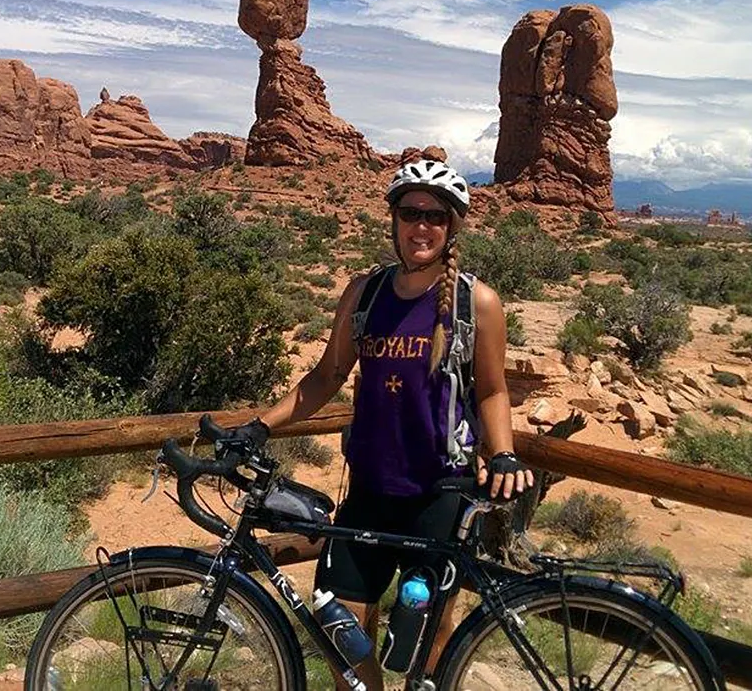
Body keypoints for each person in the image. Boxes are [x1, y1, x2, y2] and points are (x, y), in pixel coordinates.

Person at [227, 159, 533, 690]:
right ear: (393, 219)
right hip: (368, 491)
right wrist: (260, 425)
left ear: (452, 226)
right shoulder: (364, 294)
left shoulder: (475, 302)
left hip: (439, 495)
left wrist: (503, 452)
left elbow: (492, 390)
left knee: (428, 644)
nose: (422, 226)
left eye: (436, 216)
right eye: (411, 212)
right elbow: (325, 379)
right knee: (341, 637)